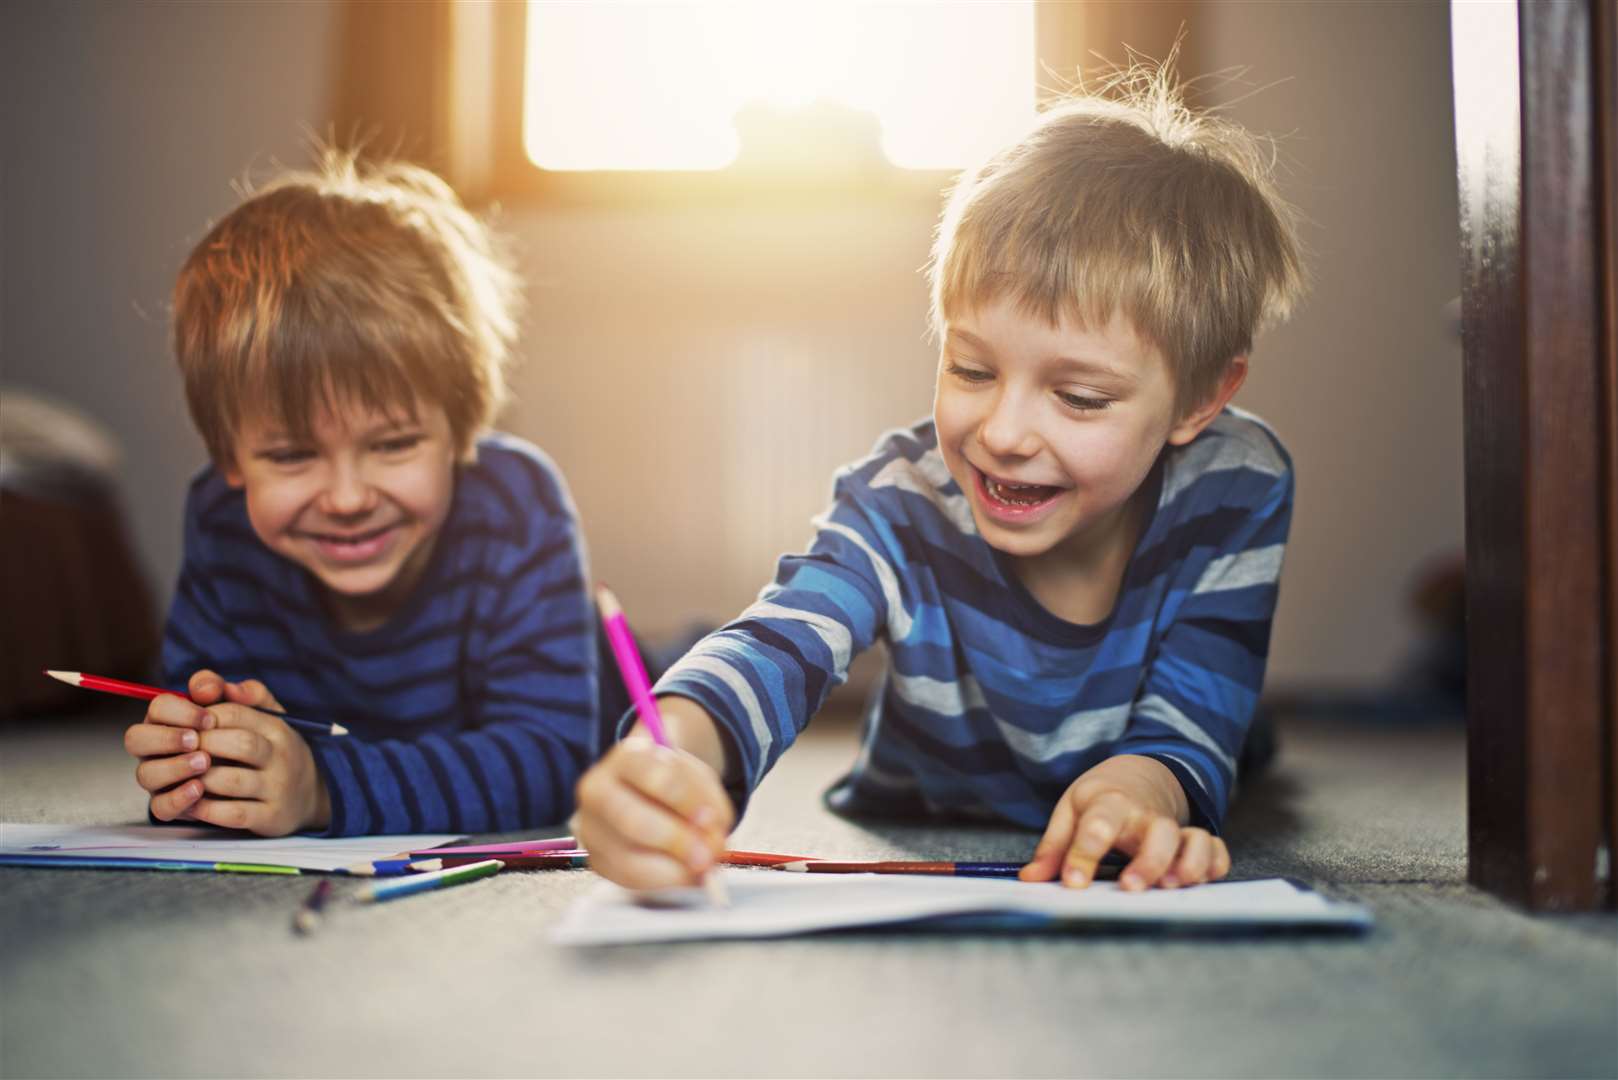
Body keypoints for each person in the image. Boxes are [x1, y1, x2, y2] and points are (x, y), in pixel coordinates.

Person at [573, 63, 1305, 892]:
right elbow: (781, 638)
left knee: (1239, 735)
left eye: (1078, 396)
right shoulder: (900, 498)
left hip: (1167, 743)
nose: (1001, 433)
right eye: (970, 369)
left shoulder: (1237, 484)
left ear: (1201, 398)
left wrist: (1149, 785)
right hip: (924, 801)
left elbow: (1192, 716)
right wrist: (668, 753)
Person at [121, 149, 600, 837]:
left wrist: (325, 790)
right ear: (229, 457)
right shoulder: (221, 522)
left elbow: (551, 761)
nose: (346, 498)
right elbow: (216, 765)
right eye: (291, 455)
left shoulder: (516, 501)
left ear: (462, 429)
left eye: (394, 445)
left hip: (600, 676)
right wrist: (206, 764)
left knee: (677, 667)